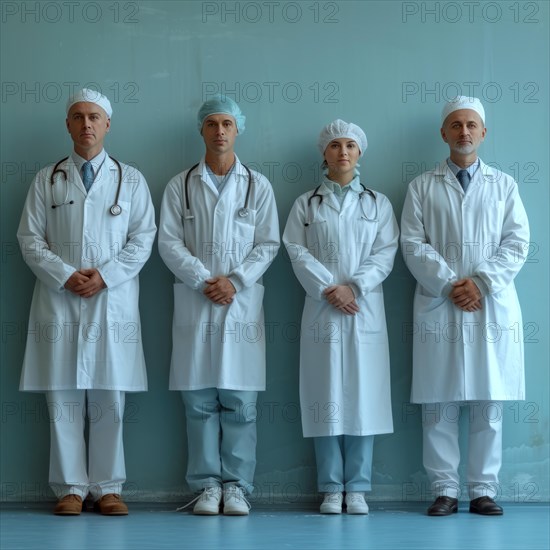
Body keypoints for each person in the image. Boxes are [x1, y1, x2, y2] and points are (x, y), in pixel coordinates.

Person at [17, 88, 156, 515]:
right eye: (78, 117)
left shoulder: (130, 178)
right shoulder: (47, 178)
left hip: (111, 301)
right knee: (62, 398)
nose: (86, 124)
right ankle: (70, 489)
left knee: (110, 398)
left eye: (94, 116)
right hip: (60, 299)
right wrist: (65, 275)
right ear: (68, 125)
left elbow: (143, 237)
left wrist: (106, 277)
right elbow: (29, 238)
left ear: (108, 124)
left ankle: (108, 487)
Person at [400, 96, 530, 516]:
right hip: (441, 302)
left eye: (471, 124)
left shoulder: (504, 185)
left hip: (488, 304)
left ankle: (482, 490)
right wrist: (449, 283)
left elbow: (517, 242)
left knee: (488, 402)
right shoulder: (422, 186)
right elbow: (412, 243)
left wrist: (480, 282)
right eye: (456, 125)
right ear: (444, 133)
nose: (464, 132)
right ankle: (444, 489)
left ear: (483, 133)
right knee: (439, 402)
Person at [158, 95, 280, 516]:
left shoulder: (257, 185)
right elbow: (168, 241)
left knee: (241, 403)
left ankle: (238, 486)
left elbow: (268, 243)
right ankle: (207, 484)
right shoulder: (181, 185)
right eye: (212, 124)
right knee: (199, 403)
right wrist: (201, 278)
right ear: (202, 130)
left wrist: (236, 281)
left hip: (241, 303)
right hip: (196, 300)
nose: (220, 131)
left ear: (238, 128)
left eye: (227, 123)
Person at [283, 120, 398, 514]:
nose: (343, 152)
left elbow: (385, 253)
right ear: (324, 153)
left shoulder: (378, 203)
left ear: (360, 153)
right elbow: (296, 251)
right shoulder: (306, 204)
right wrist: (329, 288)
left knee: (364, 396)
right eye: (335, 145)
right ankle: (332, 487)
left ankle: (359, 487)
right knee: (324, 394)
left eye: (350, 145)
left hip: (363, 309)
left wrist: (355, 287)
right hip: (322, 309)